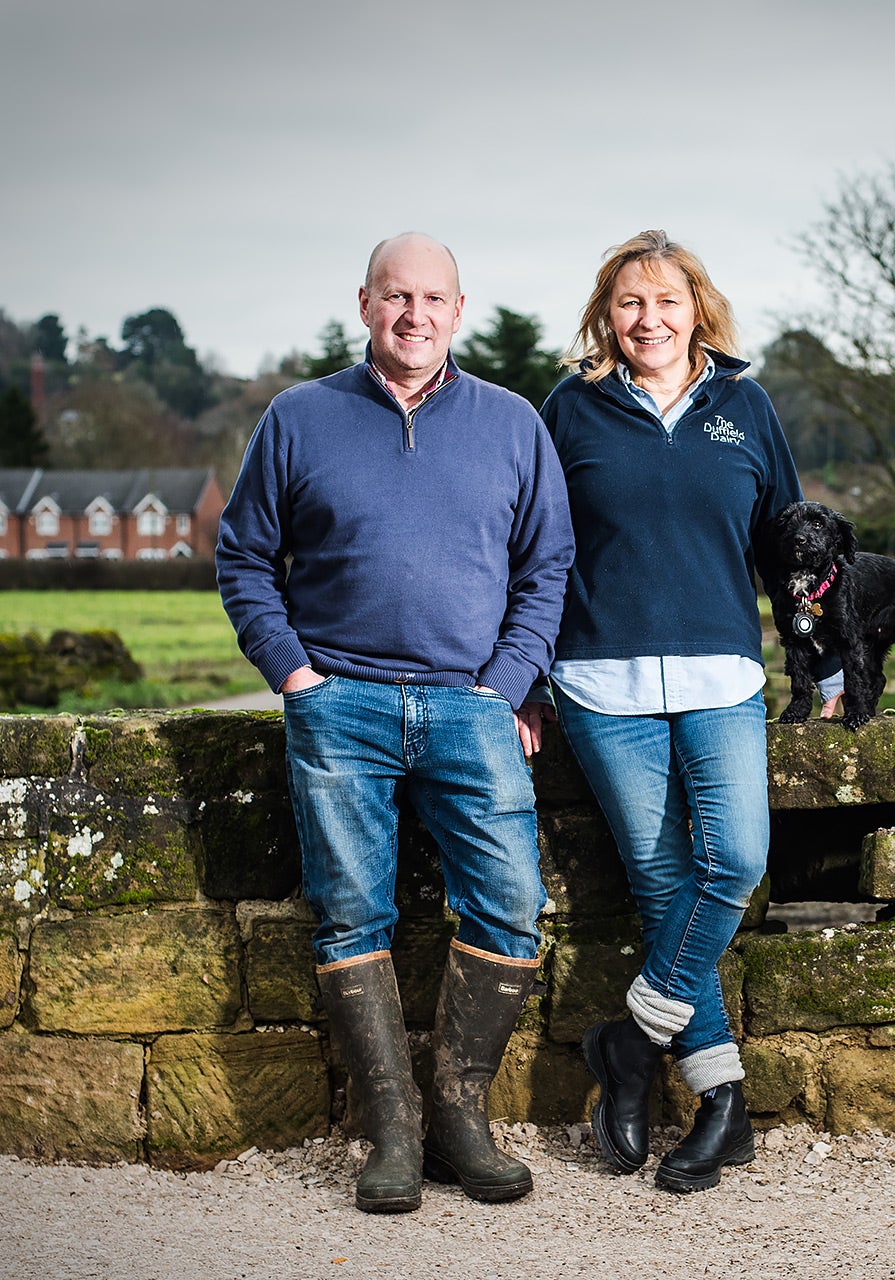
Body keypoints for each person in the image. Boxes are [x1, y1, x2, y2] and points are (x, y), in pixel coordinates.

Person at [217, 233, 573, 1214]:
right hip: (343, 704)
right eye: (394, 296)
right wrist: (295, 676)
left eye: (431, 297)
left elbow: (548, 567)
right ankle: (394, 1130)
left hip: (472, 704)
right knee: (349, 911)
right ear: (364, 304)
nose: (413, 314)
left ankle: (460, 1115)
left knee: (509, 900)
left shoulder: (512, 423)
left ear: (458, 309)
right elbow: (244, 558)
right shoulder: (299, 415)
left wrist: (504, 687)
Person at [537, 230, 838, 1193]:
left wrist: (821, 664)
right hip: (599, 685)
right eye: (630, 303)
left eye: (667, 302)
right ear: (606, 313)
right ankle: (722, 1102)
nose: (648, 320)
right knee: (664, 884)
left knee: (736, 862)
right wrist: (523, 676)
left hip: (723, 681)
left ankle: (628, 1042)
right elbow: (534, 548)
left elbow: (791, 548)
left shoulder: (746, 407)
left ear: (697, 308)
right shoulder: (569, 410)